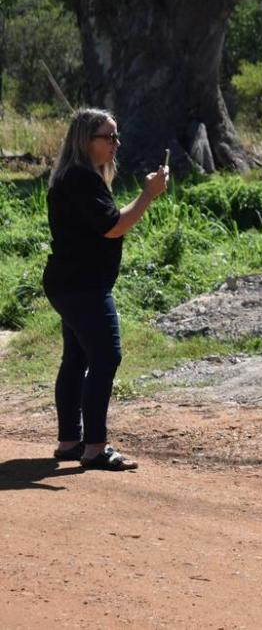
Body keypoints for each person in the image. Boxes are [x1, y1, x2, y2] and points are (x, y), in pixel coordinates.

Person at [43, 109, 169, 471]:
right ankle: (94, 447)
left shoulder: (72, 176)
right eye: (108, 137)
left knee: (77, 358)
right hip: (83, 285)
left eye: (116, 136)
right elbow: (113, 228)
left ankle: (71, 441)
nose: (117, 143)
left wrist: (146, 194)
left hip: (68, 282)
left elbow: (109, 223)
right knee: (105, 357)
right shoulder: (82, 179)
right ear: (87, 140)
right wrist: (148, 194)